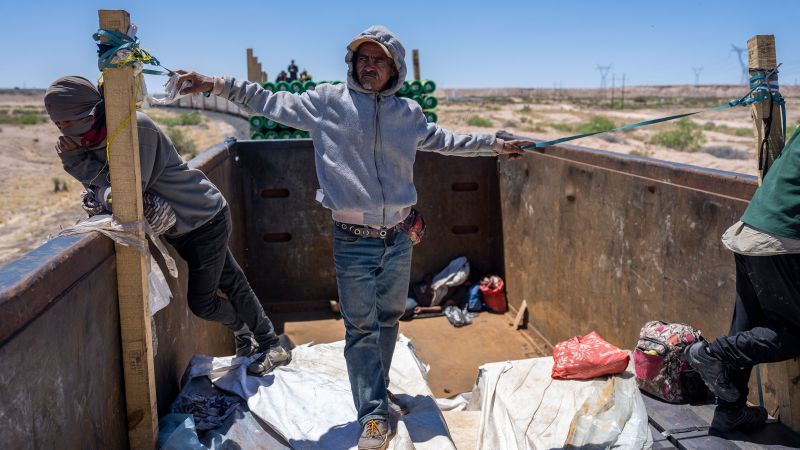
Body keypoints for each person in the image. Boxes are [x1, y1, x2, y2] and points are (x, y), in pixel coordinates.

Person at [176, 25, 529, 450]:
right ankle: (373, 415)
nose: (368, 66)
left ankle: (375, 393)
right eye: (362, 58)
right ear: (352, 64)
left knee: (387, 320)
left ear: (394, 68)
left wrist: (496, 144)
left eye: (378, 60)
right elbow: (266, 101)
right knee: (361, 328)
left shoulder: (408, 114)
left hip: (399, 238)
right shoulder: (328, 103)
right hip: (353, 239)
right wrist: (214, 83)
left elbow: (448, 141)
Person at [43, 76, 290, 376]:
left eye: (70, 122)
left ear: (92, 112)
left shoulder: (133, 129)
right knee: (233, 282)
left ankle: (251, 334)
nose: (65, 132)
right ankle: (265, 342)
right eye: (59, 125)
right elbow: (106, 189)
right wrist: (94, 178)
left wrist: (76, 164)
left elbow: (126, 196)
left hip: (203, 218)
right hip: (184, 227)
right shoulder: (94, 137)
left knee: (203, 303)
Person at [685, 126, 800, 433]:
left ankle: (729, 411)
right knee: (796, 333)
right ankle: (711, 354)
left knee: (747, 324)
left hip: (752, 230)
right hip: (780, 240)